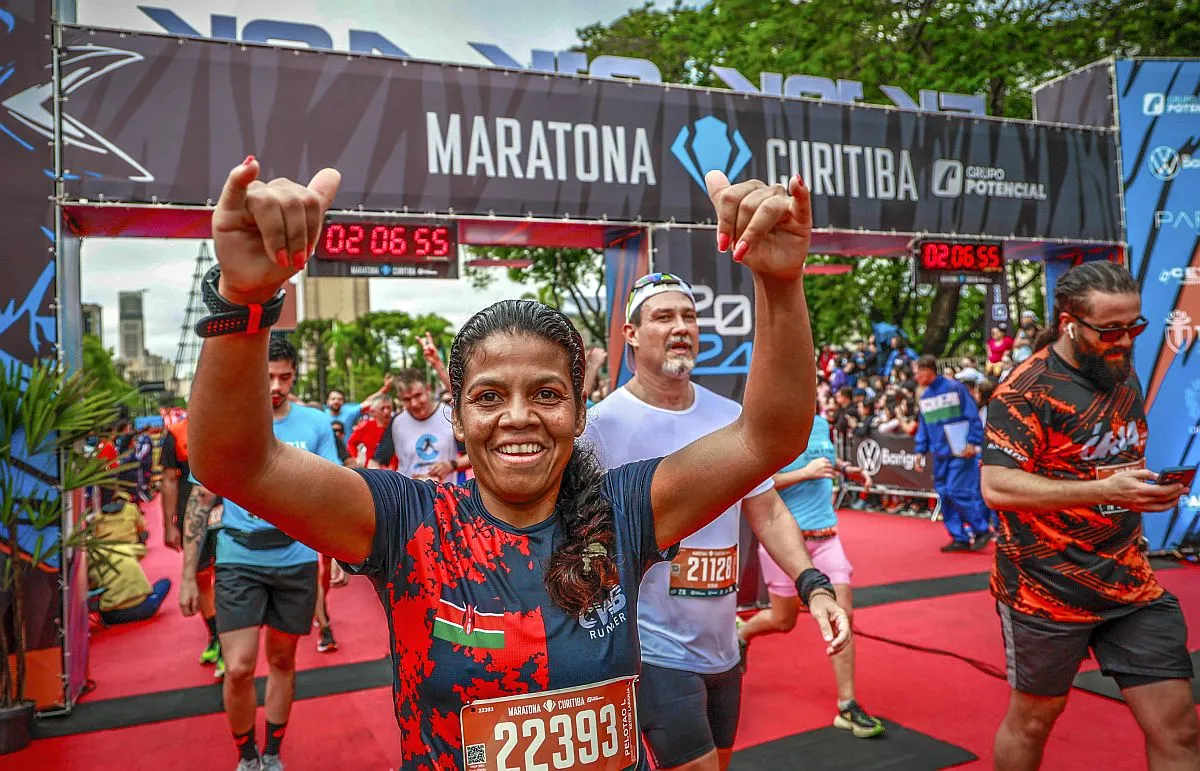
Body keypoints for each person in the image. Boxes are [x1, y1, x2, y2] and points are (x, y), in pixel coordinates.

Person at [187, 159, 846, 771]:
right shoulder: (406, 521)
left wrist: (779, 283)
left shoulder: (624, 510)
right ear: (458, 417)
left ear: (580, 413)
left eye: (548, 393)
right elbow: (233, 462)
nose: (520, 415)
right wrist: (243, 298)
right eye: (489, 396)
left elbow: (769, 434)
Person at [583, 274, 850, 771]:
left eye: (689, 317)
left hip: (722, 647)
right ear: (632, 334)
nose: (681, 327)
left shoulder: (732, 418)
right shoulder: (601, 427)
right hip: (650, 649)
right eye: (664, 317)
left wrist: (813, 584)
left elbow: (766, 511)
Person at [981, 261, 1198, 771]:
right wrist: (1102, 487)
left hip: (1130, 583)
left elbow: (1115, 463)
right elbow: (997, 486)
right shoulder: (1024, 391)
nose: (1125, 341)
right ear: (1068, 323)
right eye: (1111, 329)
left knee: (1180, 727)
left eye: (1134, 326)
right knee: (1035, 719)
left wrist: (1143, 491)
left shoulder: (1122, 373)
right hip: (1046, 589)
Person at [182, 336, 340, 771]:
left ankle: (271, 753)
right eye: (267, 376)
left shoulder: (314, 423)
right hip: (239, 558)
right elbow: (200, 502)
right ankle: (246, 755)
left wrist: (340, 555)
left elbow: (333, 491)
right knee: (238, 667)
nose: (276, 385)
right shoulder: (228, 423)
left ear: (294, 376)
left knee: (283, 659)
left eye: (284, 377)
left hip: (296, 558)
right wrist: (185, 577)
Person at [738, 405, 883, 738]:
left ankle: (847, 706)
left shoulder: (820, 423)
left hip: (827, 536)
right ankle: (743, 634)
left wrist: (849, 470)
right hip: (787, 544)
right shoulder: (774, 424)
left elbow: (824, 462)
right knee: (783, 620)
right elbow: (760, 484)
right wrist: (806, 473)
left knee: (842, 615)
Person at [161, 415, 223, 672]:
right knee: (200, 578)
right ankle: (216, 634)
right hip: (193, 521)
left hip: (227, 517)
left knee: (228, 577)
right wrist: (169, 525)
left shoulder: (228, 426)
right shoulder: (176, 434)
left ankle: (226, 641)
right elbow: (169, 480)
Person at [913, 355, 993, 552]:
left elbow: (972, 416)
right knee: (944, 494)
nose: (915, 376)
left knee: (957, 491)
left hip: (961, 453)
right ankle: (959, 537)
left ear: (929, 371)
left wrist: (972, 443)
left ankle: (981, 529)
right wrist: (920, 451)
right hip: (940, 454)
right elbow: (924, 425)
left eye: (918, 372)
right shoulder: (925, 397)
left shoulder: (955, 388)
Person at [369, 368, 469, 482]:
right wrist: (378, 480)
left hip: (446, 495)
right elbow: (376, 461)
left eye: (417, 395)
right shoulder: (397, 422)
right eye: (407, 399)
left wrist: (451, 465)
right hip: (409, 496)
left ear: (427, 389)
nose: (414, 404)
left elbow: (473, 456)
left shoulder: (448, 415)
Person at [347, 394, 395, 468]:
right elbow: (351, 443)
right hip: (371, 470)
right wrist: (355, 458)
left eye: (389, 408)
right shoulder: (366, 426)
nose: (386, 411)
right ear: (373, 411)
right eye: (382, 408)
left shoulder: (396, 426)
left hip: (394, 471)